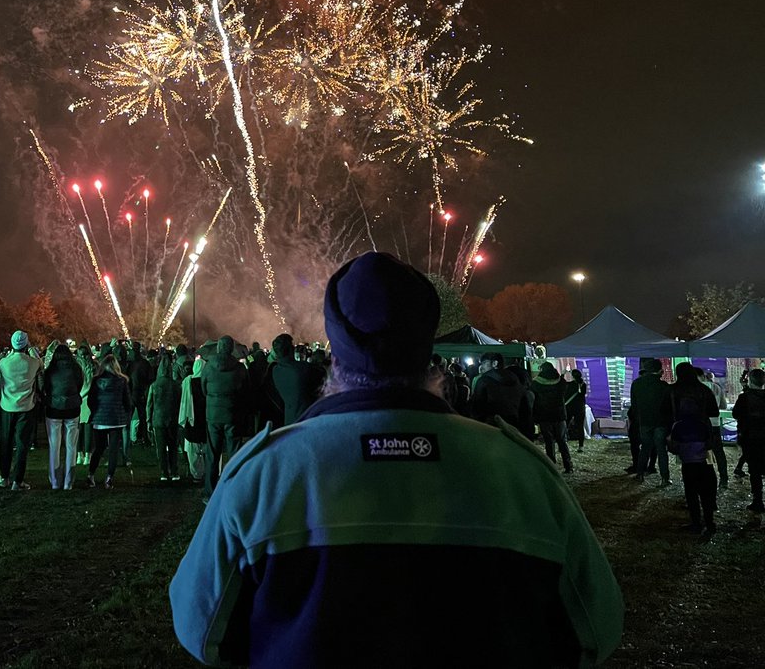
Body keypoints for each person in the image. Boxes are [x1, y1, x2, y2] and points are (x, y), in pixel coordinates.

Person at [170, 252, 624, 668]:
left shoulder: (263, 474)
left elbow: (203, 631)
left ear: (334, 353)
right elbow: (596, 629)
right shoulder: (521, 471)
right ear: (429, 348)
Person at [668, 362, 720, 532]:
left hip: (684, 441)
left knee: (690, 488)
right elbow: (714, 412)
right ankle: (710, 519)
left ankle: (696, 522)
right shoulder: (704, 390)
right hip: (703, 436)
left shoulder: (673, 390)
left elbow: (666, 411)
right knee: (707, 482)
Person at [201, 336, 247, 500]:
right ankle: (234, 489)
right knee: (234, 452)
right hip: (232, 413)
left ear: (219, 348)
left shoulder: (208, 366)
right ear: (231, 348)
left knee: (213, 453)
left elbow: (203, 388)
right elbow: (245, 390)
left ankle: (210, 491)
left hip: (213, 414)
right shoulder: (239, 368)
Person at [0, 330, 42, 490]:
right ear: (26, 344)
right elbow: (41, 363)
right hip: (26, 407)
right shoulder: (32, 363)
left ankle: (4, 476)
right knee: (22, 444)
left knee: (6, 442)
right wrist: (32, 350)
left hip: (7, 406)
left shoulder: (4, 363)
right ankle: (18, 480)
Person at [40, 340, 84, 490]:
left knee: (54, 446)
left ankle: (55, 481)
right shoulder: (76, 369)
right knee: (71, 446)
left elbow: (46, 388)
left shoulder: (50, 370)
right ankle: (68, 482)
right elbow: (79, 385)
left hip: (54, 408)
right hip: (72, 407)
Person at [87, 352, 133, 488]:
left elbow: (91, 400)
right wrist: (126, 413)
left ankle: (91, 474)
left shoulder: (96, 381)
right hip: (116, 418)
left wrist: (95, 411)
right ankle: (109, 478)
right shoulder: (122, 381)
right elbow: (127, 401)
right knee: (113, 449)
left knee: (99, 448)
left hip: (99, 418)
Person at [470, 353, 534, 438]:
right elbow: (525, 409)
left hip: (491, 429)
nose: (482, 367)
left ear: (495, 363)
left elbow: (477, 408)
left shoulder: (483, 381)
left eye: (484, 363)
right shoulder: (515, 380)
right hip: (514, 429)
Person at [631, 358, 673, 486]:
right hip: (661, 422)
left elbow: (634, 405)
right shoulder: (664, 386)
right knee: (661, 450)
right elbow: (669, 407)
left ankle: (640, 474)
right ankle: (665, 478)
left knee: (645, 448)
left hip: (644, 421)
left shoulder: (636, 384)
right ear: (660, 370)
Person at [732, 368, 765, 513]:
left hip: (750, 438)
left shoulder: (744, 397)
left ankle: (758, 501)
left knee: (755, 471)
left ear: (750, 380)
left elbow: (736, 414)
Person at [269, 333, 321, 426]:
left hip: (289, 419)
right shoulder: (302, 368)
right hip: (306, 418)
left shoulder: (275, 370)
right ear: (289, 349)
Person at [146, 348, 182, 481]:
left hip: (159, 419)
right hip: (173, 419)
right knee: (173, 446)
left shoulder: (154, 385)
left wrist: (148, 420)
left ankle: (164, 472)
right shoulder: (176, 385)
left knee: (161, 448)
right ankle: (174, 471)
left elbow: (149, 405)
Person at [531, 361, 574, 473]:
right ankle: (568, 466)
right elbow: (565, 391)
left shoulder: (536, 383)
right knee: (562, 441)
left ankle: (551, 467)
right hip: (559, 415)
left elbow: (533, 398)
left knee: (549, 442)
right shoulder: (560, 381)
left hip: (544, 415)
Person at [177, 347, 206, 483]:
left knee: (193, 449)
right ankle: (208, 471)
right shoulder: (207, 381)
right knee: (206, 446)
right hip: (204, 418)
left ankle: (196, 474)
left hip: (191, 418)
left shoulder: (187, 381)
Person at [700, 370, 729, 488]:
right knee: (719, 452)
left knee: (702, 451)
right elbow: (723, 406)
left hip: (701, 424)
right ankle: (724, 478)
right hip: (714, 423)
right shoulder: (717, 387)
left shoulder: (697, 388)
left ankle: (705, 479)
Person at [563, 366, 588, 451]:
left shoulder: (570, 385)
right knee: (580, 427)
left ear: (572, 376)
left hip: (570, 408)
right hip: (580, 408)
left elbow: (561, 383)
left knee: (565, 425)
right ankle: (581, 446)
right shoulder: (583, 385)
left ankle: (564, 443)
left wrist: (564, 373)